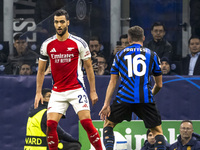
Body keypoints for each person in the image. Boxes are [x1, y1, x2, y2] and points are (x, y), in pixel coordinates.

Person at [34, 9, 102, 150]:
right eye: (56, 22)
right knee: (50, 125)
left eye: (62, 22)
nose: (59, 25)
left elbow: (89, 67)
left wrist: (93, 91)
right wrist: (38, 92)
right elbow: (40, 71)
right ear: (54, 24)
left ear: (68, 23)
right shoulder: (47, 44)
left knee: (87, 124)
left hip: (76, 89)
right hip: (57, 92)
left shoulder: (79, 43)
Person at [99, 26, 166, 150]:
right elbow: (159, 84)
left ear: (129, 39)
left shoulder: (119, 55)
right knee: (157, 131)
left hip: (124, 97)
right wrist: (150, 94)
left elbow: (113, 82)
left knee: (108, 124)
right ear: (144, 38)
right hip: (145, 98)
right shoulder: (152, 55)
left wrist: (106, 104)